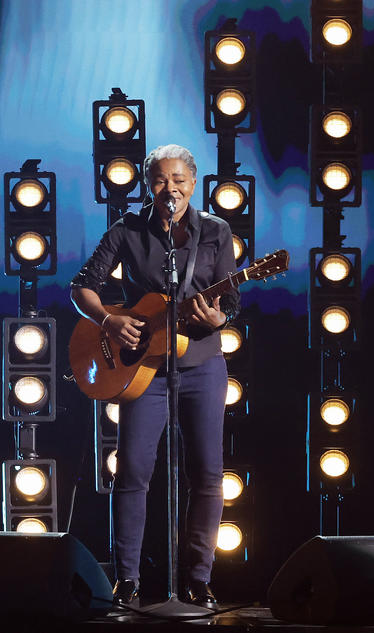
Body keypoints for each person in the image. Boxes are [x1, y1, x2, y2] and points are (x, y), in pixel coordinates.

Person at [71, 145, 240, 608]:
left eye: (180, 179)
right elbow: (82, 285)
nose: (172, 189)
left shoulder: (216, 232)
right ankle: (126, 580)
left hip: (203, 364)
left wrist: (217, 320)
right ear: (150, 185)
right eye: (162, 180)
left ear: (195, 180)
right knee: (132, 475)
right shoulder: (127, 229)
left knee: (208, 476)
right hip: (142, 371)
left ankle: (198, 580)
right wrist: (108, 320)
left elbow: (233, 301)